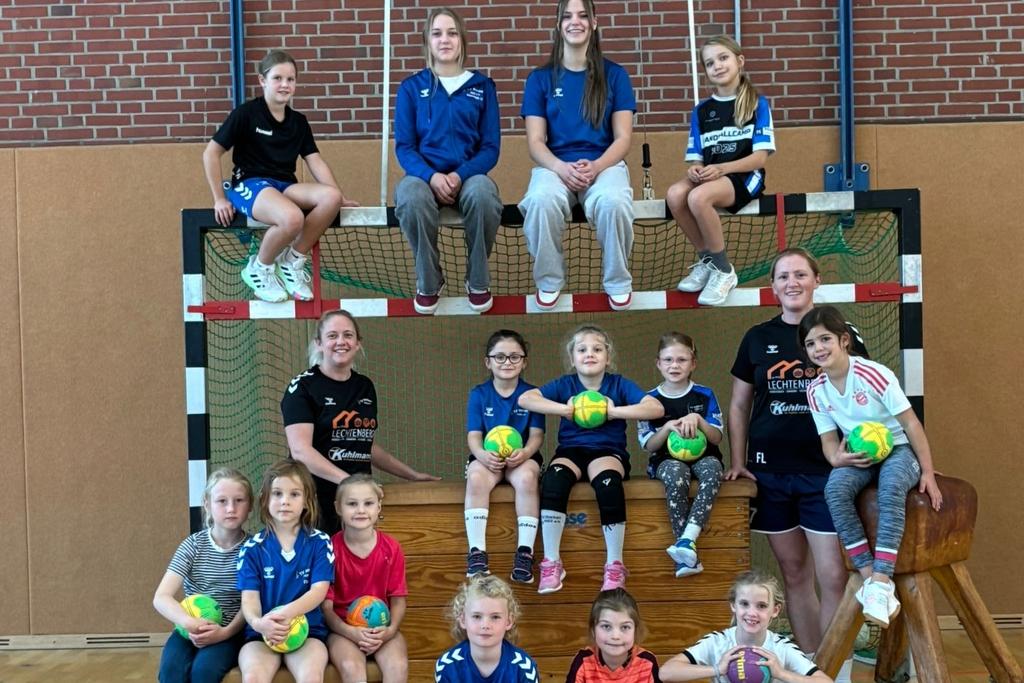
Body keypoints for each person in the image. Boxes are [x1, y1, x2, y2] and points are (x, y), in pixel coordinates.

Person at [727, 248, 863, 681]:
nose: (792, 282)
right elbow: (739, 405)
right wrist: (738, 460)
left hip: (826, 473)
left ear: (816, 280)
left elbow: (866, 397)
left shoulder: (842, 334)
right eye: (783, 276)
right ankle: (808, 670)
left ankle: (836, 670)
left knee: (833, 575)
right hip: (770, 474)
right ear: (773, 286)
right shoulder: (756, 337)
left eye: (800, 274)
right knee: (794, 572)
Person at [800, 305, 942, 628]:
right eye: (810, 343)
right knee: (835, 489)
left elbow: (911, 424)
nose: (818, 348)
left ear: (844, 340)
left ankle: (882, 577)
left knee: (891, 486)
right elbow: (828, 441)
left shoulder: (873, 374)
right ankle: (870, 580)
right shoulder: (815, 390)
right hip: (860, 455)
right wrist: (838, 459)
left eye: (825, 339)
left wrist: (928, 472)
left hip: (899, 449)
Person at [202, 49, 357, 303]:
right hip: (249, 184)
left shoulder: (299, 122)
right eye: (278, 78)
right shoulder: (246, 114)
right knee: (292, 218)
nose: (285, 84)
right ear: (263, 80)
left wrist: (341, 196)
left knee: (331, 197)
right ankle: (259, 267)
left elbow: (315, 160)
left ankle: (292, 260)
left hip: (284, 185)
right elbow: (211, 153)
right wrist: (219, 198)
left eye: (290, 79)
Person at [518, 324, 663, 593]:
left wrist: (613, 412)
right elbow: (526, 399)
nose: (589, 354)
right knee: (554, 480)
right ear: (572, 359)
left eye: (597, 349)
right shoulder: (565, 384)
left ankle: (614, 565)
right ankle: (551, 562)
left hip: (607, 452)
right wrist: (565, 409)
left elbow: (655, 408)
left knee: (608, 484)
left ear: (608, 357)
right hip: (571, 451)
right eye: (582, 350)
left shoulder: (618, 384)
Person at [518, 0, 637, 312]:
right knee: (540, 201)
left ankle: (617, 280)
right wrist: (561, 167)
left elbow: (623, 138)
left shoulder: (615, 75)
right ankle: (549, 279)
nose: (576, 22)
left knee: (613, 202)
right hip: (555, 165)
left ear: (594, 23)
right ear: (559, 25)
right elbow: (535, 142)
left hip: (604, 163)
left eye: (583, 15)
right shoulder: (539, 79)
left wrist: (596, 166)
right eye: (568, 16)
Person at [282, 309, 439, 536]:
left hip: (355, 503)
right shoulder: (303, 387)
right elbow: (300, 451)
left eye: (348, 335)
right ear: (319, 343)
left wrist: (411, 475)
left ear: (357, 343)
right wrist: (349, 482)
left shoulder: (364, 386)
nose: (341, 342)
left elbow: (363, 443)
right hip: (314, 500)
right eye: (332, 336)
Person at [395, 7, 503, 315]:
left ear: (462, 40)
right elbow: (405, 147)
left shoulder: (481, 87)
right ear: (427, 41)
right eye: (437, 33)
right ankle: (429, 279)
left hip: (468, 177)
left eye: (452, 33)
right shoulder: (411, 88)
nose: (445, 40)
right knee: (410, 195)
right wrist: (431, 177)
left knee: (484, 193)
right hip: (424, 178)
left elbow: (490, 147)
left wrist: (459, 175)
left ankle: (477, 278)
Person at [666, 36, 775, 306]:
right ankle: (707, 260)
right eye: (710, 63)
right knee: (676, 194)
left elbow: (760, 158)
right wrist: (695, 171)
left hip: (745, 175)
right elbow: (696, 159)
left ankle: (724, 270)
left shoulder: (757, 104)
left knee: (698, 197)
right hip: (713, 175)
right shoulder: (701, 111)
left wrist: (722, 169)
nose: (717, 65)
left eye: (723, 58)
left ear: (739, 61)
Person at [236, 460, 334, 683]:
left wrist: (285, 615)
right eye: (277, 494)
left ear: (307, 500)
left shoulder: (320, 542)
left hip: (307, 634)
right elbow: (249, 600)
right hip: (262, 635)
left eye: (294, 494)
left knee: (311, 677)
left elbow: (319, 591)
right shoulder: (252, 548)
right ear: (265, 499)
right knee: (253, 678)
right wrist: (260, 623)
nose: (285, 501)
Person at [154, 468, 254, 683]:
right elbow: (161, 597)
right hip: (189, 629)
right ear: (207, 505)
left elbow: (251, 603)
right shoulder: (193, 545)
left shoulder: (254, 549)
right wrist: (188, 622)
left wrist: (225, 633)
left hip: (230, 632)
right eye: (222, 501)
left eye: (239, 500)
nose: (231, 508)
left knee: (204, 671)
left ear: (250, 506)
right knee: (171, 670)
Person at [637, 332, 724, 578]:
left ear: (693, 363)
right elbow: (649, 445)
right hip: (665, 461)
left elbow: (717, 437)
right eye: (668, 360)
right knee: (677, 474)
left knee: (713, 469)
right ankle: (686, 555)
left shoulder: (705, 394)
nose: (674, 365)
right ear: (658, 363)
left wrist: (698, 420)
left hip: (704, 457)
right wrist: (666, 428)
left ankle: (688, 540)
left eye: (681, 360)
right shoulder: (649, 400)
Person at [464, 330, 545, 582]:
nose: (507, 362)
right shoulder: (479, 394)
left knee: (528, 478)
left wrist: (526, 453)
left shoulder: (533, 394)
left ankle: (525, 553)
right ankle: (476, 553)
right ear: (488, 362)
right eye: (499, 357)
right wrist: (481, 455)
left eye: (514, 356)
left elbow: (537, 435)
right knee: (475, 477)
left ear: (524, 361)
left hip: (521, 458)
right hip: (488, 459)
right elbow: (474, 436)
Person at [660, 570, 832, 682]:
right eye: (744, 604)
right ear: (733, 605)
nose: (752, 613)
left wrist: (781, 673)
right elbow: (666, 672)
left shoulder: (781, 647)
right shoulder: (717, 642)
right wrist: (717, 669)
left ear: (775, 610)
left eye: (761, 606)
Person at [322, 475, 408, 682]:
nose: (361, 510)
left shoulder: (391, 548)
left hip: (382, 628)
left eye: (368, 503)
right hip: (343, 630)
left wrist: (389, 631)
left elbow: (398, 600)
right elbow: (326, 608)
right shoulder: (328, 549)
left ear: (379, 507)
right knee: (351, 667)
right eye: (352, 504)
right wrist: (350, 632)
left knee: (398, 666)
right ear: (338, 507)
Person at [434, 575, 540, 682]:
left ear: (508, 621)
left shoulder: (524, 668)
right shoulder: (447, 666)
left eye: (495, 617)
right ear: (463, 620)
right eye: (477, 616)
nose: (485, 625)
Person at [565, 588, 661, 682]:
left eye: (625, 627)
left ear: (635, 630)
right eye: (606, 626)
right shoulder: (583, 661)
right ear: (593, 630)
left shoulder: (647, 662)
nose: (615, 636)